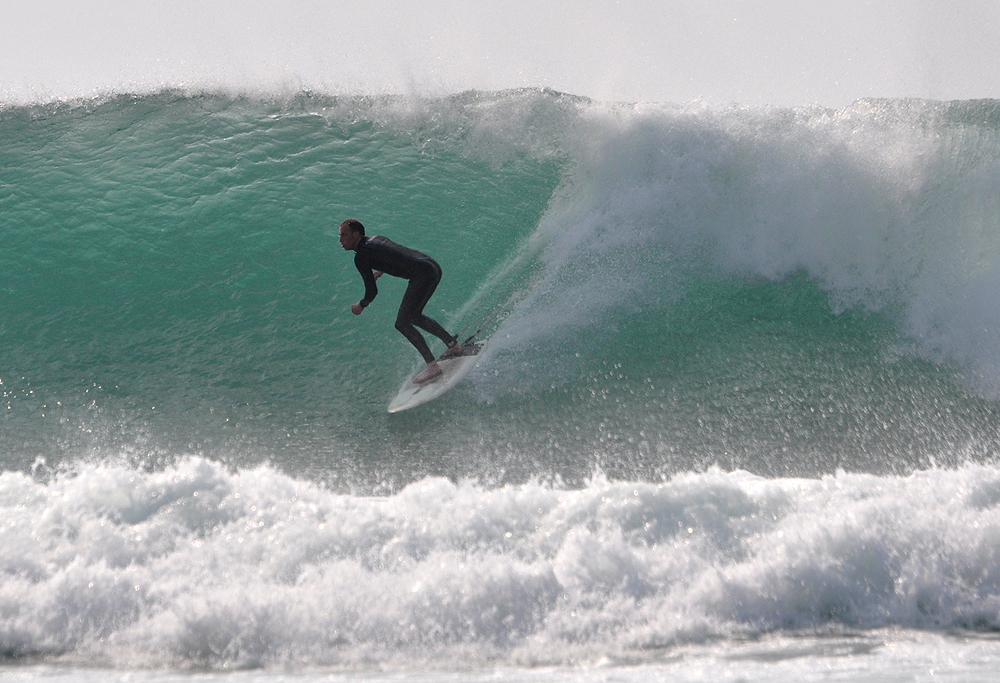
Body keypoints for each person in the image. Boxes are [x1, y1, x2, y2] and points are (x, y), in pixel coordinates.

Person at [339, 218, 464, 384]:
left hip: (422, 275)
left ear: (355, 235)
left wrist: (361, 305)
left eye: (344, 235)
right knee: (415, 316)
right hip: (432, 266)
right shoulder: (376, 238)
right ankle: (453, 345)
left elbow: (372, 291)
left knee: (402, 323)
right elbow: (394, 253)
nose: (340, 240)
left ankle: (432, 366)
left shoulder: (361, 256)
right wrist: (381, 270)